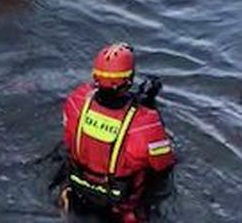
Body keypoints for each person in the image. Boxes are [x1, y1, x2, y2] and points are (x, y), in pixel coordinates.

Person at [60, 43, 175, 222]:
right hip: (120, 205)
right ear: (129, 80)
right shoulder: (145, 123)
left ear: (95, 75)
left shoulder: (77, 99)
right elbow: (163, 163)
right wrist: (150, 106)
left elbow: (69, 139)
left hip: (79, 190)